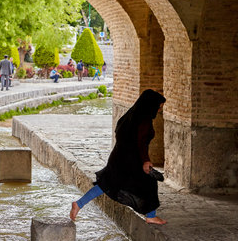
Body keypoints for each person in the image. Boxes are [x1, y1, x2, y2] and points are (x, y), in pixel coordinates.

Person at [70, 89, 167, 225]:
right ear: (150, 105)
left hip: (118, 157)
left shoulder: (130, 115)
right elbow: (141, 142)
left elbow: (119, 132)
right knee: (150, 182)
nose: (158, 110)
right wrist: (145, 161)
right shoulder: (144, 120)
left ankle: (79, 204)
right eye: (158, 106)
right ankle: (151, 215)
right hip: (131, 160)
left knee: (107, 183)